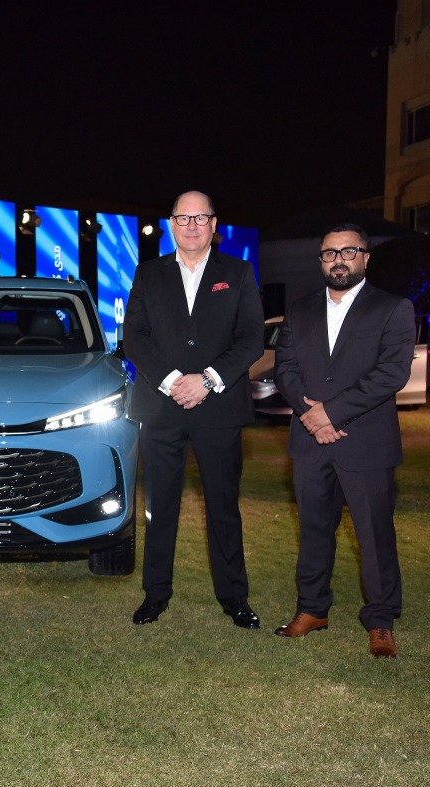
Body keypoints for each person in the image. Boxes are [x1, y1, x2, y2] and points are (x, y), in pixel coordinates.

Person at [122, 190, 265, 629]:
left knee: (223, 505)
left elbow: (251, 338)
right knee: (159, 506)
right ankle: (155, 595)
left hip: (218, 407)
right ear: (171, 224)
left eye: (200, 218)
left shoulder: (238, 273)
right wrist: (171, 382)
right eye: (183, 218)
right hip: (161, 408)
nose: (191, 225)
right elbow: (135, 336)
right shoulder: (149, 274)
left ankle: (234, 597)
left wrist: (206, 380)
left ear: (214, 225)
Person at [272, 223, 415, 659]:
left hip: (366, 443)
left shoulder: (392, 308)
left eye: (348, 251)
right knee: (314, 532)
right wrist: (311, 415)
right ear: (321, 261)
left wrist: (329, 413)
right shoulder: (299, 311)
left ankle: (381, 620)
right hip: (311, 443)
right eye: (329, 253)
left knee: (374, 536)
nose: (338, 259)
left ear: (365, 258)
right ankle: (313, 609)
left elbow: (392, 373)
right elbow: (285, 370)